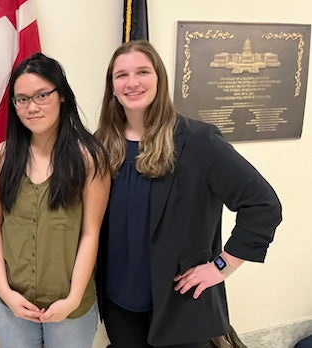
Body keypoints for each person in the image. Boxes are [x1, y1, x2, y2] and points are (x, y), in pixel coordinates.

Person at [94, 40, 282, 348]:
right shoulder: (100, 146)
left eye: (143, 71)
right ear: (111, 87)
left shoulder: (197, 141)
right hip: (119, 306)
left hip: (180, 304)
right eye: (121, 75)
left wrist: (223, 265)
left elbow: (263, 204)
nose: (132, 82)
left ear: (159, 78)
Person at [0, 53, 111, 348]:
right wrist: (5, 291)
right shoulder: (4, 156)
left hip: (71, 307)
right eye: (22, 99)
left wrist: (73, 298)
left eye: (42, 95)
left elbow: (91, 233)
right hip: (12, 303)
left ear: (62, 95)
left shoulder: (89, 157)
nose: (32, 107)